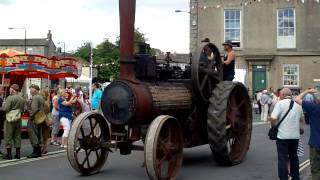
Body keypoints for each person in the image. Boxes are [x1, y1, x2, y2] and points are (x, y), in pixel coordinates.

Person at [271, 88, 304, 180]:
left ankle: (283, 178)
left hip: (282, 137)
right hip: (295, 137)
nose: (279, 96)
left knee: (282, 159)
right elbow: (302, 120)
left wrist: (274, 127)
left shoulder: (280, 103)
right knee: (294, 158)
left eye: (280, 94)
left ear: (283, 95)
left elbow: (273, 118)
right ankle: (296, 177)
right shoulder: (298, 105)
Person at [294, 88, 320, 180]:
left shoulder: (313, 107)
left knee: (315, 169)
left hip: (315, 143)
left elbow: (297, 99)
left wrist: (307, 91)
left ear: (316, 100)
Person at [1, 84, 25, 159]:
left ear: (12, 90)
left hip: (10, 119)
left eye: (10, 89)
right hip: (18, 118)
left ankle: (9, 154)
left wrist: (1, 107)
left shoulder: (10, 98)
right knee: (17, 136)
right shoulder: (22, 98)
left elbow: (6, 109)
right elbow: (23, 109)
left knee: (8, 136)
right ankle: (18, 154)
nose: (9, 90)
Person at [27, 84, 45, 158]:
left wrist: (30, 116)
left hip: (34, 118)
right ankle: (38, 152)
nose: (30, 91)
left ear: (35, 89)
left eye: (31, 89)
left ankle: (35, 152)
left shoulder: (35, 97)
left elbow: (34, 109)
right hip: (40, 118)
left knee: (33, 134)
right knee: (38, 134)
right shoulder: (40, 97)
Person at [39, 89, 51, 154]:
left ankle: (42, 148)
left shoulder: (43, 101)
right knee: (45, 135)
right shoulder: (47, 101)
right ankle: (45, 148)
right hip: (47, 119)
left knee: (41, 134)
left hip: (42, 118)